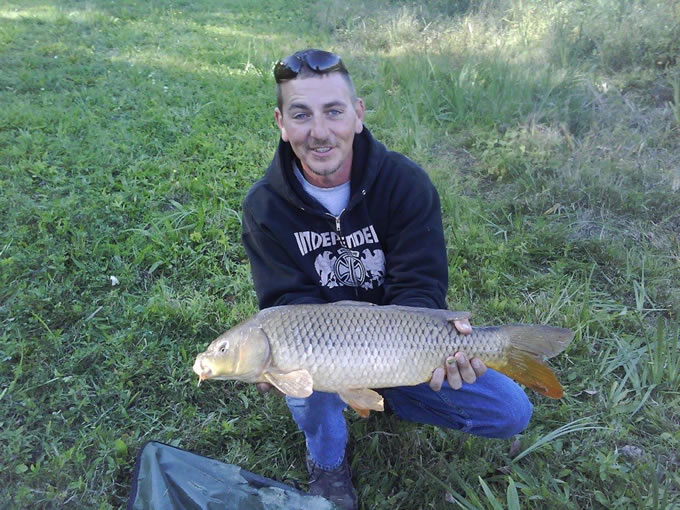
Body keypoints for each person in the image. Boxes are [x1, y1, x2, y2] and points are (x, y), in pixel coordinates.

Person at [241, 49, 532, 510]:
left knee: (511, 411)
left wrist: (426, 355)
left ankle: (385, 396)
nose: (319, 132)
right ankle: (328, 464)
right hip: (323, 356)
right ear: (281, 122)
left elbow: (421, 288)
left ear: (357, 115)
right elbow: (287, 304)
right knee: (296, 370)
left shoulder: (406, 184)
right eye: (301, 114)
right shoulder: (264, 208)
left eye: (333, 111)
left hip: (405, 345)